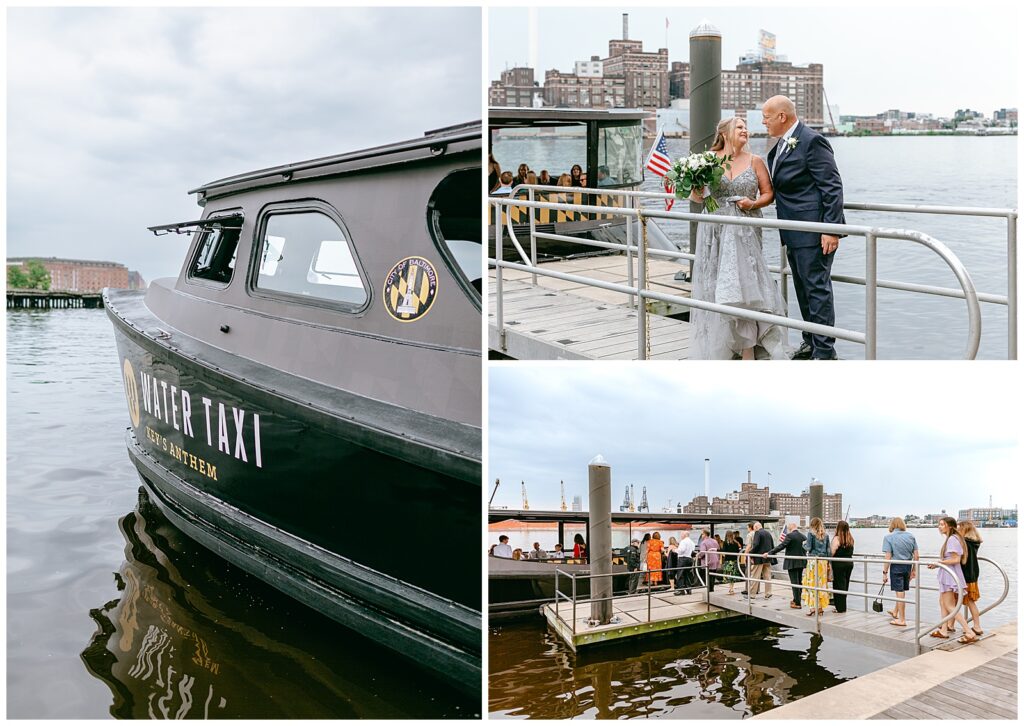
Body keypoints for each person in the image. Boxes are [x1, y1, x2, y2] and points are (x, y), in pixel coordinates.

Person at [689, 116, 788, 360]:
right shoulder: (707, 161)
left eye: (746, 127)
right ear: (724, 133)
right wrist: (696, 187)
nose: (745, 130)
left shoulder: (755, 161)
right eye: (740, 127)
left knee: (746, 285)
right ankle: (721, 343)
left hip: (746, 230)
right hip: (716, 230)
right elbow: (696, 199)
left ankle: (748, 349)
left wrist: (752, 202)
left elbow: (768, 194)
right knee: (716, 283)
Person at [762, 95, 846, 360]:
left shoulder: (812, 141)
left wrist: (831, 228)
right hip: (792, 232)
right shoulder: (778, 147)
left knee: (817, 290)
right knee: (803, 290)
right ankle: (810, 341)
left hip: (814, 232)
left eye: (767, 117)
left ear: (782, 117)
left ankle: (824, 351)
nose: (763, 122)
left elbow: (831, 187)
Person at [927, 516, 974, 643]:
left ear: (949, 526)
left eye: (942, 524)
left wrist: (938, 563)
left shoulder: (952, 539)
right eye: (939, 524)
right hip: (948, 574)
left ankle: (969, 632)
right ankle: (944, 630)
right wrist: (939, 563)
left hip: (950, 575)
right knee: (943, 603)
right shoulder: (953, 538)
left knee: (949, 605)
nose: (939, 527)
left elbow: (955, 559)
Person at [881, 517, 918, 627]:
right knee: (901, 592)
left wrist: (884, 573)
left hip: (896, 566)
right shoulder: (911, 536)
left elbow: (888, 556)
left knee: (900, 593)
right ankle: (895, 611)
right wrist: (914, 570)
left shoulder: (888, 537)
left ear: (892, 525)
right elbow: (916, 556)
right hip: (908, 566)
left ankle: (902, 620)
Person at [768, 522, 806, 609]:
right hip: (801, 562)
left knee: (794, 582)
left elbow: (782, 546)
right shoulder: (803, 536)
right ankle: (796, 599)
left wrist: (770, 552)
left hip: (792, 562)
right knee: (799, 582)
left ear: (790, 528)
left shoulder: (790, 536)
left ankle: (797, 603)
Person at [959, 520, 984, 636]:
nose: (958, 530)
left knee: (956, 601)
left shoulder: (964, 542)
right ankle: (976, 626)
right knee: (970, 602)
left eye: (960, 528)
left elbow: (960, 558)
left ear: (964, 529)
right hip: (973, 574)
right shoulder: (975, 542)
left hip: (965, 574)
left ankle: (976, 626)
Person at [802, 517, 830, 615]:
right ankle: (821, 608)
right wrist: (828, 562)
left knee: (812, 584)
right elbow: (829, 551)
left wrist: (803, 544)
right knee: (821, 584)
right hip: (823, 562)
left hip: (813, 561)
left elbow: (808, 547)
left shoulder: (811, 534)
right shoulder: (826, 535)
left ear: (812, 525)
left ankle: (813, 608)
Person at [830, 520, 855, 613]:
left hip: (838, 564)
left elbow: (832, 552)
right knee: (845, 584)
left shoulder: (837, 538)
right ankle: (843, 606)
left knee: (838, 585)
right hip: (849, 563)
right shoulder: (850, 538)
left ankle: (840, 608)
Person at [744, 522, 774, 599]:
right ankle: (768, 593)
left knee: (755, 576)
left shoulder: (758, 533)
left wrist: (750, 553)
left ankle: (752, 594)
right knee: (767, 576)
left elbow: (756, 545)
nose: (754, 530)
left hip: (759, 558)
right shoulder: (768, 533)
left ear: (756, 527)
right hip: (767, 558)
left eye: (754, 528)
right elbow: (772, 545)